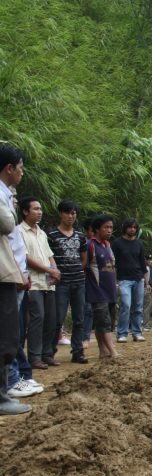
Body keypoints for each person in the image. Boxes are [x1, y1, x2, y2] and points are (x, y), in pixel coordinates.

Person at [0, 146, 32, 414]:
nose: (22, 172)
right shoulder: (1, 193)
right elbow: (7, 224)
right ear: (9, 168)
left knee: (9, 333)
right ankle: (2, 395)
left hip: (10, 271)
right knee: (6, 335)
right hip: (4, 273)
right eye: (20, 167)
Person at [19, 197, 60, 368]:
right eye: (35, 209)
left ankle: (47, 353)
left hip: (48, 283)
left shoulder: (42, 233)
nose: (40, 212)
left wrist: (55, 270)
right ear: (25, 211)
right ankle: (34, 356)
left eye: (40, 209)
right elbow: (25, 257)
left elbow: (49, 255)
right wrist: (50, 270)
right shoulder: (19, 231)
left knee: (51, 319)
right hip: (33, 282)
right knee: (38, 318)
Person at [47, 200, 89, 363]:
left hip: (78, 281)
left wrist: (76, 270)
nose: (71, 216)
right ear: (60, 214)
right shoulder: (51, 235)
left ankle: (77, 351)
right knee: (57, 319)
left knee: (79, 318)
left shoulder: (80, 236)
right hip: (61, 283)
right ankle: (49, 353)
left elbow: (84, 259)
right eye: (67, 213)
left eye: (73, 213)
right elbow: (48, 258)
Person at [85, 215, 118, 359]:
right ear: (97, 229)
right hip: (97, 290)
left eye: (111, 227)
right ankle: (112, 350)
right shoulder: (90, 245)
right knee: (104, 321)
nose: (109, 230)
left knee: (103, 322)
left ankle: (103, 351)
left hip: (110, 290)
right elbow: (85, 266)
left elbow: (113, 267)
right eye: (106, 227)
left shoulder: (108, 246)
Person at [111, 218, 148, 343]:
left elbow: (143, 264)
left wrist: (146, 282)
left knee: (138, 307)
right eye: (130, 227)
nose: (132, 229)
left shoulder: (139, 244)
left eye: (134, 227)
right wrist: (114, 280)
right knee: (125, 305)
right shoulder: (117, 243)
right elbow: (112, 263)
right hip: (123, 279)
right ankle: (122, 333)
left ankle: (137, 332)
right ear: (125, 228)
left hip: (138, 278)